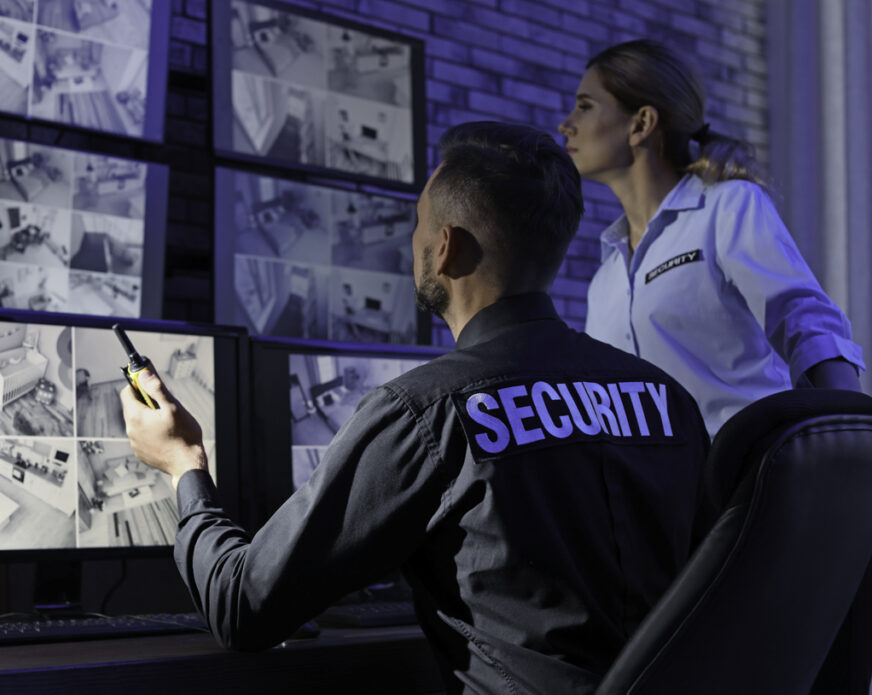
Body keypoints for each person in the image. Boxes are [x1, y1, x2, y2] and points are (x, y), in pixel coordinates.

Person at [120, 122, 712, 693]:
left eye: (419, 225)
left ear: (446, 248)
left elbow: (243, 607)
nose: (414, 243)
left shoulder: (425, 411)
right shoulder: (669, 401)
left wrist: (183, 467)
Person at [558, 39, 865, 438]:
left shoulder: (728, 207)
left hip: (752, 483)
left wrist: (854, 438)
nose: (566, 124)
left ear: (641, 124)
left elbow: (804, 321)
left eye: (584, 106)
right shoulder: (605, 278)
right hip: (656, 494)